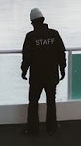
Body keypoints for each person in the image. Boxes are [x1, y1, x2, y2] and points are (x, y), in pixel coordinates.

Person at [21, 8, 66, 136]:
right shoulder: (54, 34)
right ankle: (51, 128)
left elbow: (27, 57)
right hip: (52, 75)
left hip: (36, 77)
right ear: (43, 20)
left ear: (32, 23)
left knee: (33, 102)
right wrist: (62, 69)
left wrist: (23, 71)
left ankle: (33, 129)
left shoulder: (30, 37)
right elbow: (61, 53)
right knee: (51, 101)